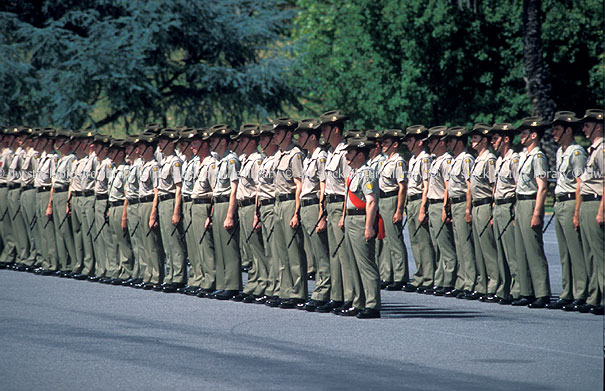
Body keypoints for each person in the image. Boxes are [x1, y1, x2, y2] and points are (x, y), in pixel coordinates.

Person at [546, 112, 588, 310]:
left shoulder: (576, 152)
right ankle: (567, 292)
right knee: (564, 252)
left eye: (557, 129)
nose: (554, 132)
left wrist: (577, 212)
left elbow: (581, 183)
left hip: (572, 201)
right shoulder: (560, 152)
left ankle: (581, 293)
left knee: (575, 251)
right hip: (560, 202)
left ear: (568, 130)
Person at [512, 117, 551, 308]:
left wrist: (537, 213)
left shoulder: (538, 157)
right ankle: (526, 291)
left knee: (534, 249)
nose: (521, 136)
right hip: (520, 203)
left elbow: (542, 187)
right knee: (521, 249)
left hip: (530, 203)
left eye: (525, 133)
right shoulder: (524, 156)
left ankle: (542, 293)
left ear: (533, 135)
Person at [316, 110, 352, 314]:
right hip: (331, 204)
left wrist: (344, 213)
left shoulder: (346, 152)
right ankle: (337, 296)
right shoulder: (330, 153)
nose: (322, 132)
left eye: (325, 129)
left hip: (341, 204)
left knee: (343, 254)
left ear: (335, 129)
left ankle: (348, 297)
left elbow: (348, 186)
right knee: (335, 253)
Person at [342, 138, 381, 318]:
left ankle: (372, 305)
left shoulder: (367, 173)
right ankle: (359, 302)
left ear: (359, 154)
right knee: (354, 264)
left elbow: (371, 201)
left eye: (350, 152)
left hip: (360, 220)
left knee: (365, 264)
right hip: (351, 220)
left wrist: (368, 226)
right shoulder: (356, 173)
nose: (347, 156)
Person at [294, 119, 331, 311]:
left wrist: (322, 214)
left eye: (301, 135)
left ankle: (323, 292)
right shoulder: (308, 157)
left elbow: (323, 187)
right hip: (306, 207)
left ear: (312, 137)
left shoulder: (321, 157)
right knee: (314, 253)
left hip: (315, 206)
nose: (298, 138)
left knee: (321, 253)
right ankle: (321, 289)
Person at [271, 118, 307, 309]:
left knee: (293, 251)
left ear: (287, 134)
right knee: (282, 250)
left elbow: (299, 185)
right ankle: (285, 290)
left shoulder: (295, 155)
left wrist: (296, 212)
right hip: (278, 204)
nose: (274, 136)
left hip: (289, 203)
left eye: (278, 133)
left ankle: (298, 292)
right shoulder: (279, 155)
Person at [232, 124, 267, 303]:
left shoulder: (257, 160)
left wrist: (257, 213)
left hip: (251, 206)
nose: (241, 143)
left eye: (244, 140)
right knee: (249, 247)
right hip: (242, 206)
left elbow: (259, 190)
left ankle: (263, 283)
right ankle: (253, 282)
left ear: (252, 142)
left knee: (257, 247)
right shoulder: (245, 159)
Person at [206, 124, 241, 300]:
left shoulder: (231, 160)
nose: (211, 142)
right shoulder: (219, 161)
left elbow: (234, 189)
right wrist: (211, 214)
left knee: (229, 246)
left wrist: (229, 215)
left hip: (227, 203)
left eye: (214, 139)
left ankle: (233, 284)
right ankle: (222, 284)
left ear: (223, 141)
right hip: (218, 204)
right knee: (220, 246)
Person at [574, 109, 604, 315]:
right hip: (586, 203)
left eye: (587, 125)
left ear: (598, 126)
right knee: (590, 255)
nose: (584, 128)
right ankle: (595, 297)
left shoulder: (602, 150)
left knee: (600, 255)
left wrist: (602, 211)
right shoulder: (592, 150)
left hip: (596, 203)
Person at [402, 125, 436, 293]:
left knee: (423, 242)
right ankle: (420, 276)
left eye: (410, 140)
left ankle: (429, 278)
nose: (407, 144)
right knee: (415, 241)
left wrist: (423, 208)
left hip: (419, 201)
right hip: (411, 202)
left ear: (420, 142)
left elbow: (426, 185)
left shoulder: (425, 159)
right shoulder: (413, 159)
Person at [469, 124, 499, 302]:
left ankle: (494, 285)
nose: (472, 141)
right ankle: (482, 285)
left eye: (475, 138)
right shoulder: (477, 159)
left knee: (488, 248)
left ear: (484, 140)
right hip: (475, 205)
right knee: (479, 248)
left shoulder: (489, 159)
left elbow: (494, 187)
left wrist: (493, 211)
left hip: (485, 204)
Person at [376, 129, 409, 291]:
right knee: (386, 239)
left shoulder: (398, 161)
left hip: (392, 198)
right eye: (382, 143)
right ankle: (388, 275)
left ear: (395, 145)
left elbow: (402, 187)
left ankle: (400, 276)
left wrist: (399, 210)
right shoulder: (385, 161)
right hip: (382, 199)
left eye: (386, 143)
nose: (383, 145)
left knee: (395, 239)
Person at [489, 123, 519, 304]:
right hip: (498, 206)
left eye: (495, 139)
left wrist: (515, 212)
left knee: (511, 250)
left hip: (508, 206)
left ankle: (516, 289)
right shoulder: (500, 160)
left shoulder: (514, 159)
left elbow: (518, 186)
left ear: (506, 139)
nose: (492, 142)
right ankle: (504, 289)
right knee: (501, 250)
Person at [424, 126, 456, 296]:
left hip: (440, 204)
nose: (429, 145)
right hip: (433, 204)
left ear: (441, 142)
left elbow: (447, 187)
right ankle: (441, 280)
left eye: (432, 141)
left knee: (446, 246)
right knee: (438, 244)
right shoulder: (436, 160)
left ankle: (449, 281)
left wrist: (445, 208)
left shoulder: (447, 160)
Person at [155, 128, 187, 293]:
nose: (159, 144)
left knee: (174, 241)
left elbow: (178, 188)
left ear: (170, 143)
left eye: (162, 141)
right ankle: (171, 275)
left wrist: (176, 212)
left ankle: (179, 277)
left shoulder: (175, 162)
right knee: (167, 241)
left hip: (170, 202)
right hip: (162, 202)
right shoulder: (164, 161)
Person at [191, 129, 218, 297]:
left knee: (206, 245)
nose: (192, 146)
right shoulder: (197, 163)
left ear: (204, 144)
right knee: (199, 245)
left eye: (195, 143)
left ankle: (211, 281)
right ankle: (203, 279)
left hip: (205, 206)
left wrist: (211, 214)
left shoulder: (211, 163)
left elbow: (216, 191)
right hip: (196, 205)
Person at [48, 130, 78, 277]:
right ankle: (64, 264)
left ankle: (73, 264)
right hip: (57, 193)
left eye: (61, 142)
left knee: (66, 230)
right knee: (59, 230)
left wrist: (68, 201)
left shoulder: (71, 159)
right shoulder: (61, 159)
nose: (58, 144)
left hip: (64, 192)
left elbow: (72, 181)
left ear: (67, 143)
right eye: (57, 142)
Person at [176, 128, 202, 295]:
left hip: (194, 202)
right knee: (191, 243)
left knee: (198, 243)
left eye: (184, 144)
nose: (181, 148)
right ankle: (194, 277)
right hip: (186, 203)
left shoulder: (196, 163)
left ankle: (200, 278)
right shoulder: (186, 163)